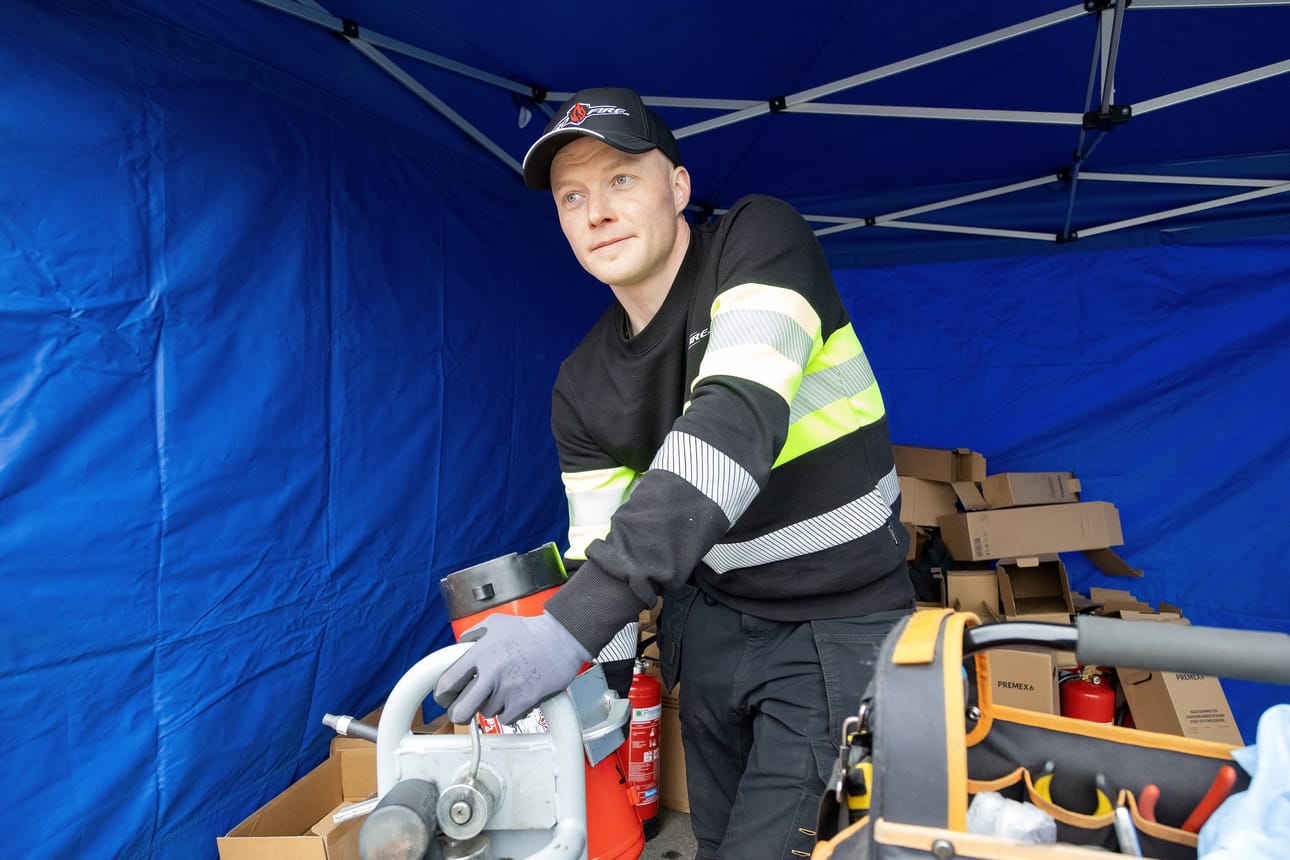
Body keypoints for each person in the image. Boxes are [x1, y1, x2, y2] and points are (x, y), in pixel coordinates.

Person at [435, 86, 914, 859]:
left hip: (838, 618)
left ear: (679, 187)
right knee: (718, 842)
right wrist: (598, 725)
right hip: (717, 623)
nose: (596, 212)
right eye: (571, 197)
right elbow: (603, 563)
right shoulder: (581, 385)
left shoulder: (760, 240)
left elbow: (733, 421)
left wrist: (561, 633)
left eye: (621, 178)